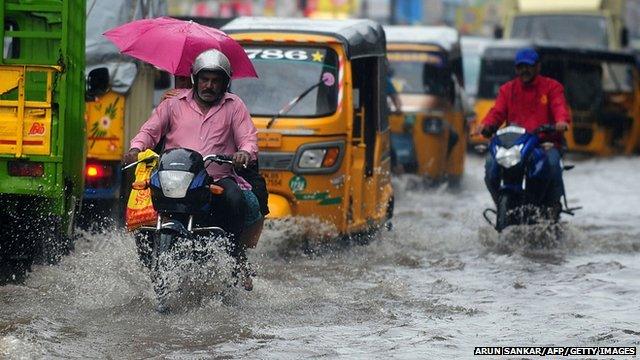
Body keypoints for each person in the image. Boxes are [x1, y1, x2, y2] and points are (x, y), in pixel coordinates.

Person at [123, 49, 259, 290]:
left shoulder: (234, 106)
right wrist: (136, 148)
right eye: (205, 79)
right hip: (174, 176)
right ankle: (147, 258)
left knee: (236, 199)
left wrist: (244, 153)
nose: (210, 85)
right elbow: (149, 130)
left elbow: (248, 138)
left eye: (216, 81)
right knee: (143, 210)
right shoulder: (173, 103)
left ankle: (235, 257)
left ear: (225, 83)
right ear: (195, 79)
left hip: (215, 179)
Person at [475, 48, 570, 213]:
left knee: (553, 164)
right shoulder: (508, 90)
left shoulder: (552, 87)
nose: (524, 70)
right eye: (520, 67)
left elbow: (559, 107)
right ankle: (501, 207)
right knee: (491, 165)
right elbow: (496, 113)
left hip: (543, 143)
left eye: (528, 66)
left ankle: (553, 206)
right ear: (516, 69)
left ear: (538, 67)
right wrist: (485, 125)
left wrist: (561, 121)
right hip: (515, 145)